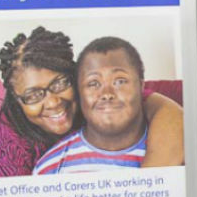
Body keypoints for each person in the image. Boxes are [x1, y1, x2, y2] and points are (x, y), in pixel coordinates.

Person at [0, 26, 183, 177]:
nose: (52, 102)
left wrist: (149, 186)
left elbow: (170, 107)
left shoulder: (98, 93)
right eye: (33, 95)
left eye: (60, 83)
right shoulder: (4, 146)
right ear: (17, 99)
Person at [33, 36, 179, 174]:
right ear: (78, 92)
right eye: (93, 83)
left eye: (119, 81)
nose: (107, 93)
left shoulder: (178, 149)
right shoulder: (50, 169)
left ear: (141, 87)